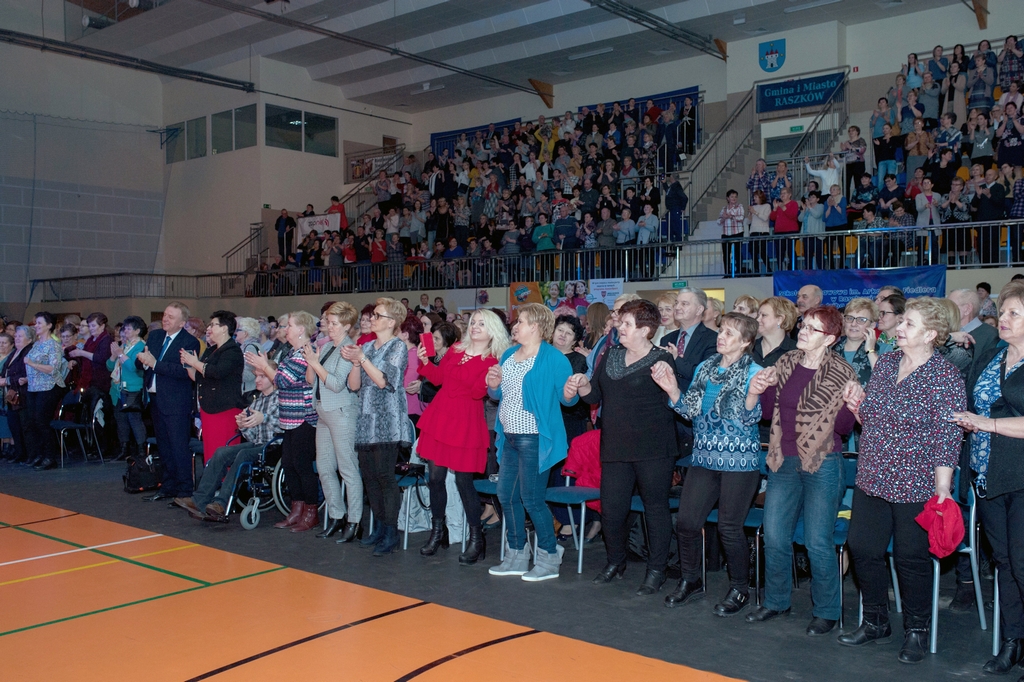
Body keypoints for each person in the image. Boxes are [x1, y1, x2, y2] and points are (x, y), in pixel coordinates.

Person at [839, 297, 966, 664]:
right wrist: (856, 406)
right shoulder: (888, 363)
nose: (898, 328)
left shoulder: (945, 376)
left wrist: (943, 489)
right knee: (862, 548)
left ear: (930, 334)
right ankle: (876, 621)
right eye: (901, 322)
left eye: (908, 324)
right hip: (873, 474)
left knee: (911, 559)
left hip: (917, 481)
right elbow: (872, 418)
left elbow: (947, 436)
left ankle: (916, 630)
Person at [744, 306, 858, 635]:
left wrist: (850, 405)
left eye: (813, 329)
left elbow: (844, 427)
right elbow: (768, 413)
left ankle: (827, 610)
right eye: (804, 325)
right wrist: (761, 389)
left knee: (817, 541)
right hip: (784, 459)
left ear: (831, 339)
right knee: (775, 536)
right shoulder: (787, 362)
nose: (803, 332)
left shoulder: (842, 371)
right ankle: (776, 601)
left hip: (823, 461)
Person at [652, 313, 763, 615]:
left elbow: (750, 418)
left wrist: (752, 395)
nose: (721, 336)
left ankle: (739, 588)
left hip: (740, 461)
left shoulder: (755, 372)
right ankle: (691, 580)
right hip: (704, 456)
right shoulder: (706, 366)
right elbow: (689, 410)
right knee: (687, 523)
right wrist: (672, 389)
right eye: (722, 330)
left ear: (746, 342)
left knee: (729, 528)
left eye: (730, 333)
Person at [567, 300, 677, 594]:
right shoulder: (612, 354)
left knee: (655, 509)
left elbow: (674, 401)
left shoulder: (662, 359)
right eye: (621, 322)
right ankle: (615, 561)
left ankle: (656, 570)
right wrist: (582, 385)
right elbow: (594, 397)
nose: (620, 327)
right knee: (612, 510)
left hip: (653, 448)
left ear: (646, 329)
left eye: (627, 324)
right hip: (614, 446)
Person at [950, 281, 1024, 676]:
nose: (1003, 319)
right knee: (1005, 563)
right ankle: (1013, 641)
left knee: (1023, 564)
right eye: (1004, 312)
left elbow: (994, 418)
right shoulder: (994, 355)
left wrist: (988, 423)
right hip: (989, 474)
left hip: (1021, 474)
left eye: (1014, 314)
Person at [486, 303, 575, 581]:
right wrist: (492, 383)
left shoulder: (554, 358)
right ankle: (516, 554)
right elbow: (498, 395)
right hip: (510, 436)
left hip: (535, 437)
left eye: (521, 321)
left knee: (532, 499)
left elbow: (567, 400)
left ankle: (549, 557)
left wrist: (572, 390)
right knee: (506, 496)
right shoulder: (510, 354)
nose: (515, 326)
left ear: (535, 326)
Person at [416, 310, 510, 565]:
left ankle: (477, 539)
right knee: (435, 478)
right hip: (441, 416)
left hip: (465, 421)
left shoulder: (494, 360)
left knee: (463, 482)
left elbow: (479, 392)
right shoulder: (457, 348)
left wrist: (492, 380)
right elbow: (438, 379)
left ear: (493, 330)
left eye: (482, 323)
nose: (475, 326)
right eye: (473, 323)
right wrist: (425, 362)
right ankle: (438, 530)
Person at [340, 298, 412, 557]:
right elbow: (355, 385)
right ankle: (380, 527)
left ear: (391, 322)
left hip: (387, 420)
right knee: (369, 477)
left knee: (384, 476)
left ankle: (391, 531)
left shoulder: (397, 347)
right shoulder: (367, 345)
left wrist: (362, 359)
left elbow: (384, 381)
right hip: (366, 419)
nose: (372, 319)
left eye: (378, 315)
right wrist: (357, 362)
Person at [174, 363, 281, 522]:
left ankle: (222, 503)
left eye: (262, 376)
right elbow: (252, 436)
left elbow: (284, 425)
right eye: (257, 376)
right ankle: (200, 500)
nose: (256, 380)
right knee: (221, 452)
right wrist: (243, 426)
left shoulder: (280, 398)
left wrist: (263, 418)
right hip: (258, 444)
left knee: (244, 454)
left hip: (275, 446)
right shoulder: (257, 401)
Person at [245, 311, 320, 533]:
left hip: (304, 417)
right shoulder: (292, 352)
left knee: (303, 466)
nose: (284, 329)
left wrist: (264, 365)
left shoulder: (307, 352)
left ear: (301, 330)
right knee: (289, 464)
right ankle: (296, 510)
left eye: (289, 326)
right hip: (288, 417)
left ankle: (311, 512)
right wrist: (267, 366)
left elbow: (281, 380)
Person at [303, 302, 362, 542]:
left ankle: (355, 520)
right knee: (325, 467)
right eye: (328, 321)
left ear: (347, 326)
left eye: (334, 323)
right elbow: (311, 381)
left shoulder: (348, 349)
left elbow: (338, 384)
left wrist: (315, 364)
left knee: (348, 468)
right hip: (323, 411)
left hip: (341, 412)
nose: (329, 326)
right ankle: (337, 515)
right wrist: (311, 360)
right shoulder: (327, 347)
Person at [135, 303, 201, 501]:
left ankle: (184, 490)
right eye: (165, 315)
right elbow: (141, 363)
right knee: (163, 446)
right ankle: (168, 485)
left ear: (182, 323)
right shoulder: (155, 336)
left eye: (171, 317)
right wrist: (143, 359)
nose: (165, 319)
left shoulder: (190, 342)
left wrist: (155, 364)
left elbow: (184, 372)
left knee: (178, 446)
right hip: (155, 399)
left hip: (176, 401)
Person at [180, 311, 245, 465]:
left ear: (224, 328)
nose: (209, 328)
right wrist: (188, 364)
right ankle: (212, 483)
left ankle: (225, 484)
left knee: (223, 449)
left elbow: (217, 372)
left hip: (224, 408)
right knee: (210, 449)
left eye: (213, 325)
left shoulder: (232, 351)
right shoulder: (211, 350)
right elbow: (200, 376)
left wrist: (195, 363)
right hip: (208, 407)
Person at [21, 313, 63, 471]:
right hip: (33, 387)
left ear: (49, 325)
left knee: (41, 421)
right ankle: (39, 454)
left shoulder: (53, 345)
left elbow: (53, 369)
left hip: (48, 387)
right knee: (32, 421)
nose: (36, 325)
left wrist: (32, 364)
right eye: (35, 322)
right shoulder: (37, 344)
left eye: (39, 323)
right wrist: (27, 377)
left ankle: (50, 457)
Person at [107, 317, 148, 463]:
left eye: (128, 328)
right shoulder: (125, 345)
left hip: (133, 388)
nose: (125, 331)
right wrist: (114, 355)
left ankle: (141, 450)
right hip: (119, 388)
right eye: (124, 328)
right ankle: (124, 449)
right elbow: (110, 367)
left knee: (134, 419)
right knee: (121, 420)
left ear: (138, 331)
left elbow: (134, 367)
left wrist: (120, 353)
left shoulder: (140, 346)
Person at [833, 298, 879, 384]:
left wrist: (870, 351)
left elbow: (884, 380)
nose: (853, 324)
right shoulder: (830, 350)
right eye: (849, 318)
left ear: (872, 325)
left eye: (861, 320)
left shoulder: (883, 350)